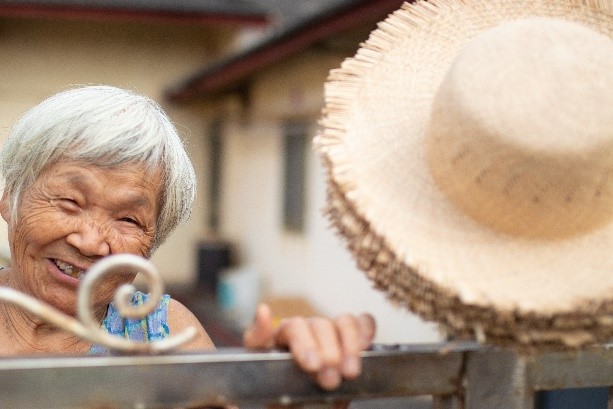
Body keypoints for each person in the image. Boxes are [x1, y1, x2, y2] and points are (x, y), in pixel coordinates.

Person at [0, 85, 376, 391]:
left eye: (129, 219)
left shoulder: (168, 336)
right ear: (9, 199)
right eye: (69, 202)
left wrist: (287, 385)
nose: (92, 242)